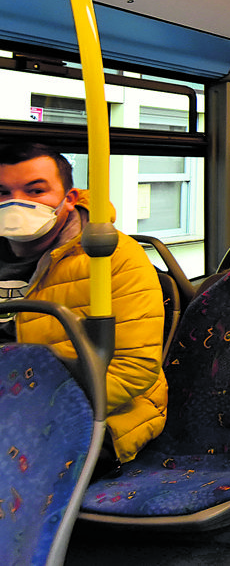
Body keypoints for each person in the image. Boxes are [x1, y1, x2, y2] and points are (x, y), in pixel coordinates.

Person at [0, 142, 167, 469]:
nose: (16, 203)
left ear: (69, 198)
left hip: (103, 416)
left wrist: (31, 409)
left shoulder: (114, 258)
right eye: (3, 192)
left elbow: (134, 369)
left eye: (36, 190)